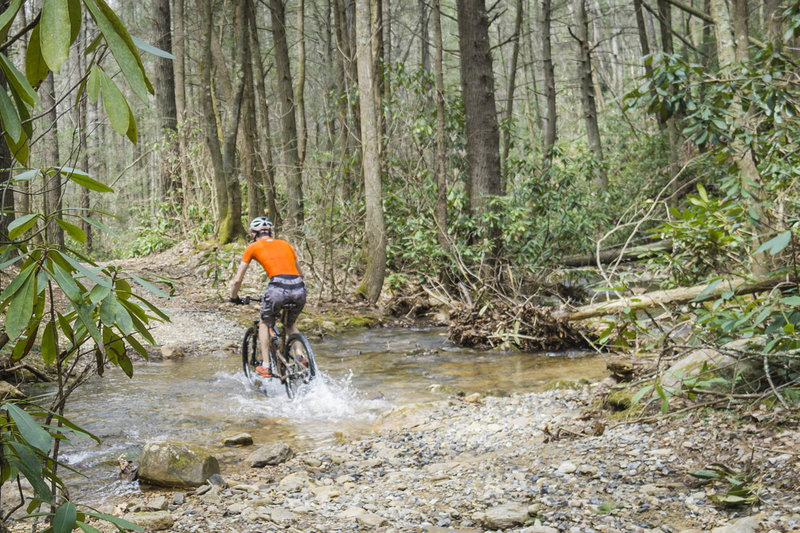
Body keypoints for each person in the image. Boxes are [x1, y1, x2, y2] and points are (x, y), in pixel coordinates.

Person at [230, 216, 306, 378]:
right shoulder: (286, 244)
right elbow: (301, 274)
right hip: (299, 288)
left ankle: (266, 366)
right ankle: (300, 356)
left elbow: (237, 280)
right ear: (271, 232)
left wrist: (234, 297)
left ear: (253, 234)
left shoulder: (252, 247)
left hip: (278, 288)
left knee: (264, 322)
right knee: (290, 324)